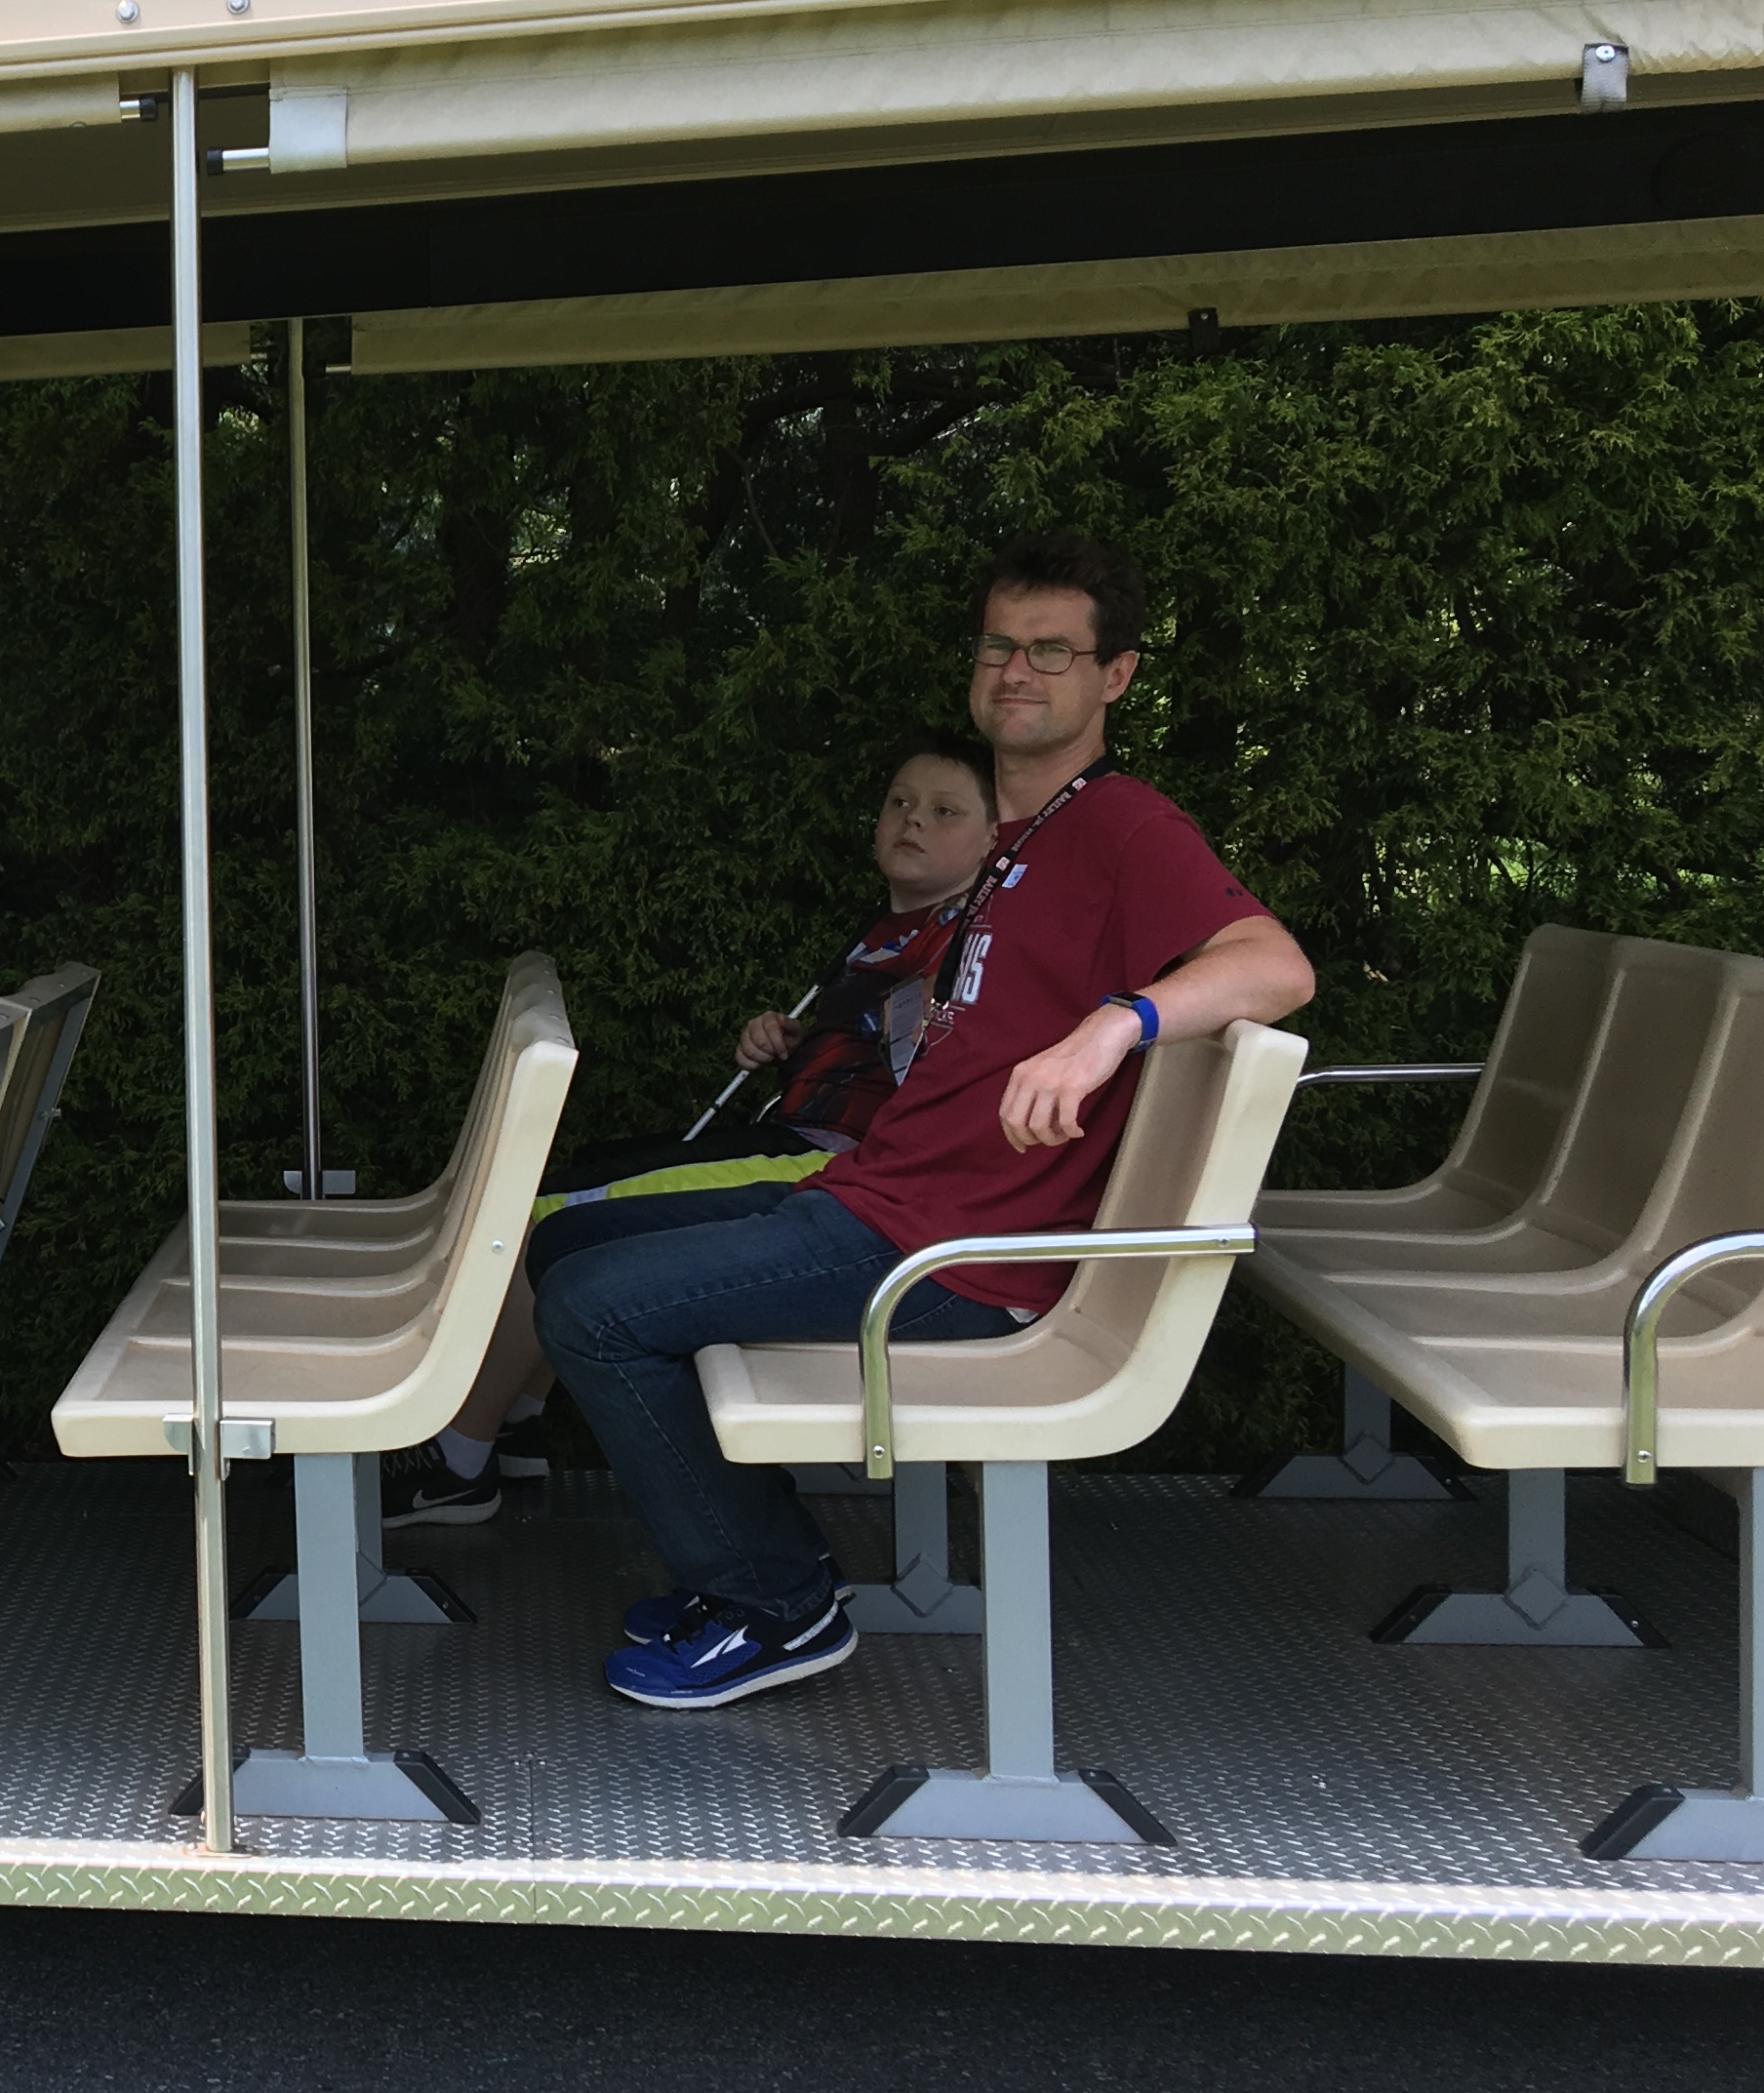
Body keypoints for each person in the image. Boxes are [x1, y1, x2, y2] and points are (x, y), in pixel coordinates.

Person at [535, 531, 1314, 1709]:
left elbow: (1276, 966)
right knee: (561, 1244)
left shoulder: (1120, 824)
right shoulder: (1012, 843)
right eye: (1001, 645)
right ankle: (742, 1560)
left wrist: (1116, 1027)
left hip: (957, 1252)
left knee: (590, 1310)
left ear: (1117, 678)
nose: (1019, 672)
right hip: (887, 1197)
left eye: (1054, 652)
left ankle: (777, 1601)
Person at [377, 735, 998, 1531]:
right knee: (568, 1191)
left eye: (944, 812)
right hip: (799, 1138)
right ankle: (517, 1423)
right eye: (900, 803)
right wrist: (795, 1042)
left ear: (993, 841)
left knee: (542, 1220)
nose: (912, 821)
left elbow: (938, 1075)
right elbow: (869, 1053)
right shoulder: (888, 928)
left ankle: (460, 1465)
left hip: (827, 1174)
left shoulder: (959, 943)